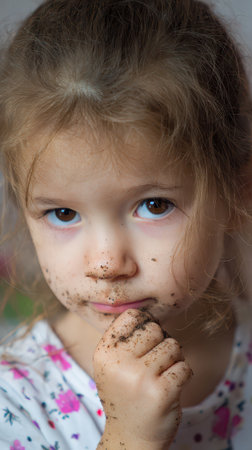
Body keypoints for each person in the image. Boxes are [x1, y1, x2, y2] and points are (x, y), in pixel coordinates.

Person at [0, 0, 251, 448]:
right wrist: (130, 438)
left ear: (237, 192)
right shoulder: (16, 398)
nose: (106, 264)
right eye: (63, 213)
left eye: (155, 205)